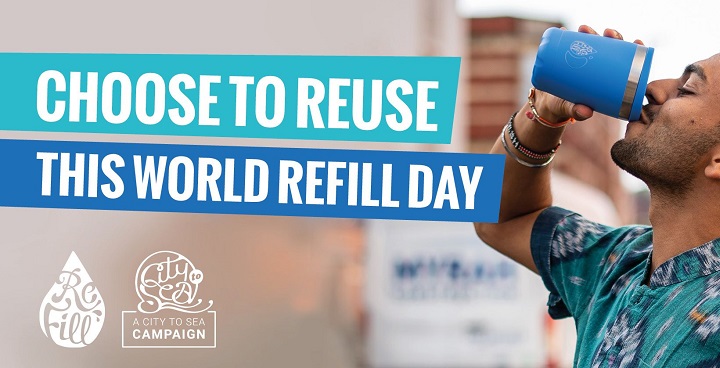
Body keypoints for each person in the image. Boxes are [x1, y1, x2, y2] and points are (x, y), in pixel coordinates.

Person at [474, 25, 720, 367]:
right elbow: (500, 220)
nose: (653, 89)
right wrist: (543, 117)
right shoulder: (618, 264)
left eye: (688, 90)